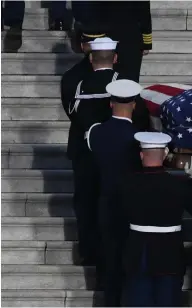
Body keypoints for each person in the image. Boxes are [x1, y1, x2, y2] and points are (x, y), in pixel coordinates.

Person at [119, 133, 192, 306]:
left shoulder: (126, 183)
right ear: (165, 154)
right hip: (169, 254)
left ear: (141, 155)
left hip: (138, 253)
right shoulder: (179, 186)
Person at [87, 79, 144, 306]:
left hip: (106, 203)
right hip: (133, 206)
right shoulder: (139, 138)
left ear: (111, 103)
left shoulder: (96, 133)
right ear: (135, 105)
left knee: (110, 259)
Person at [60, 28, 107, 267]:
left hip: (89, 147)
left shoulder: (73, 77)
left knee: (93, 201)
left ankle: (94, 249)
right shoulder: (75, 77)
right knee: (90, 202)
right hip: (92, 148)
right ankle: (91, 249)